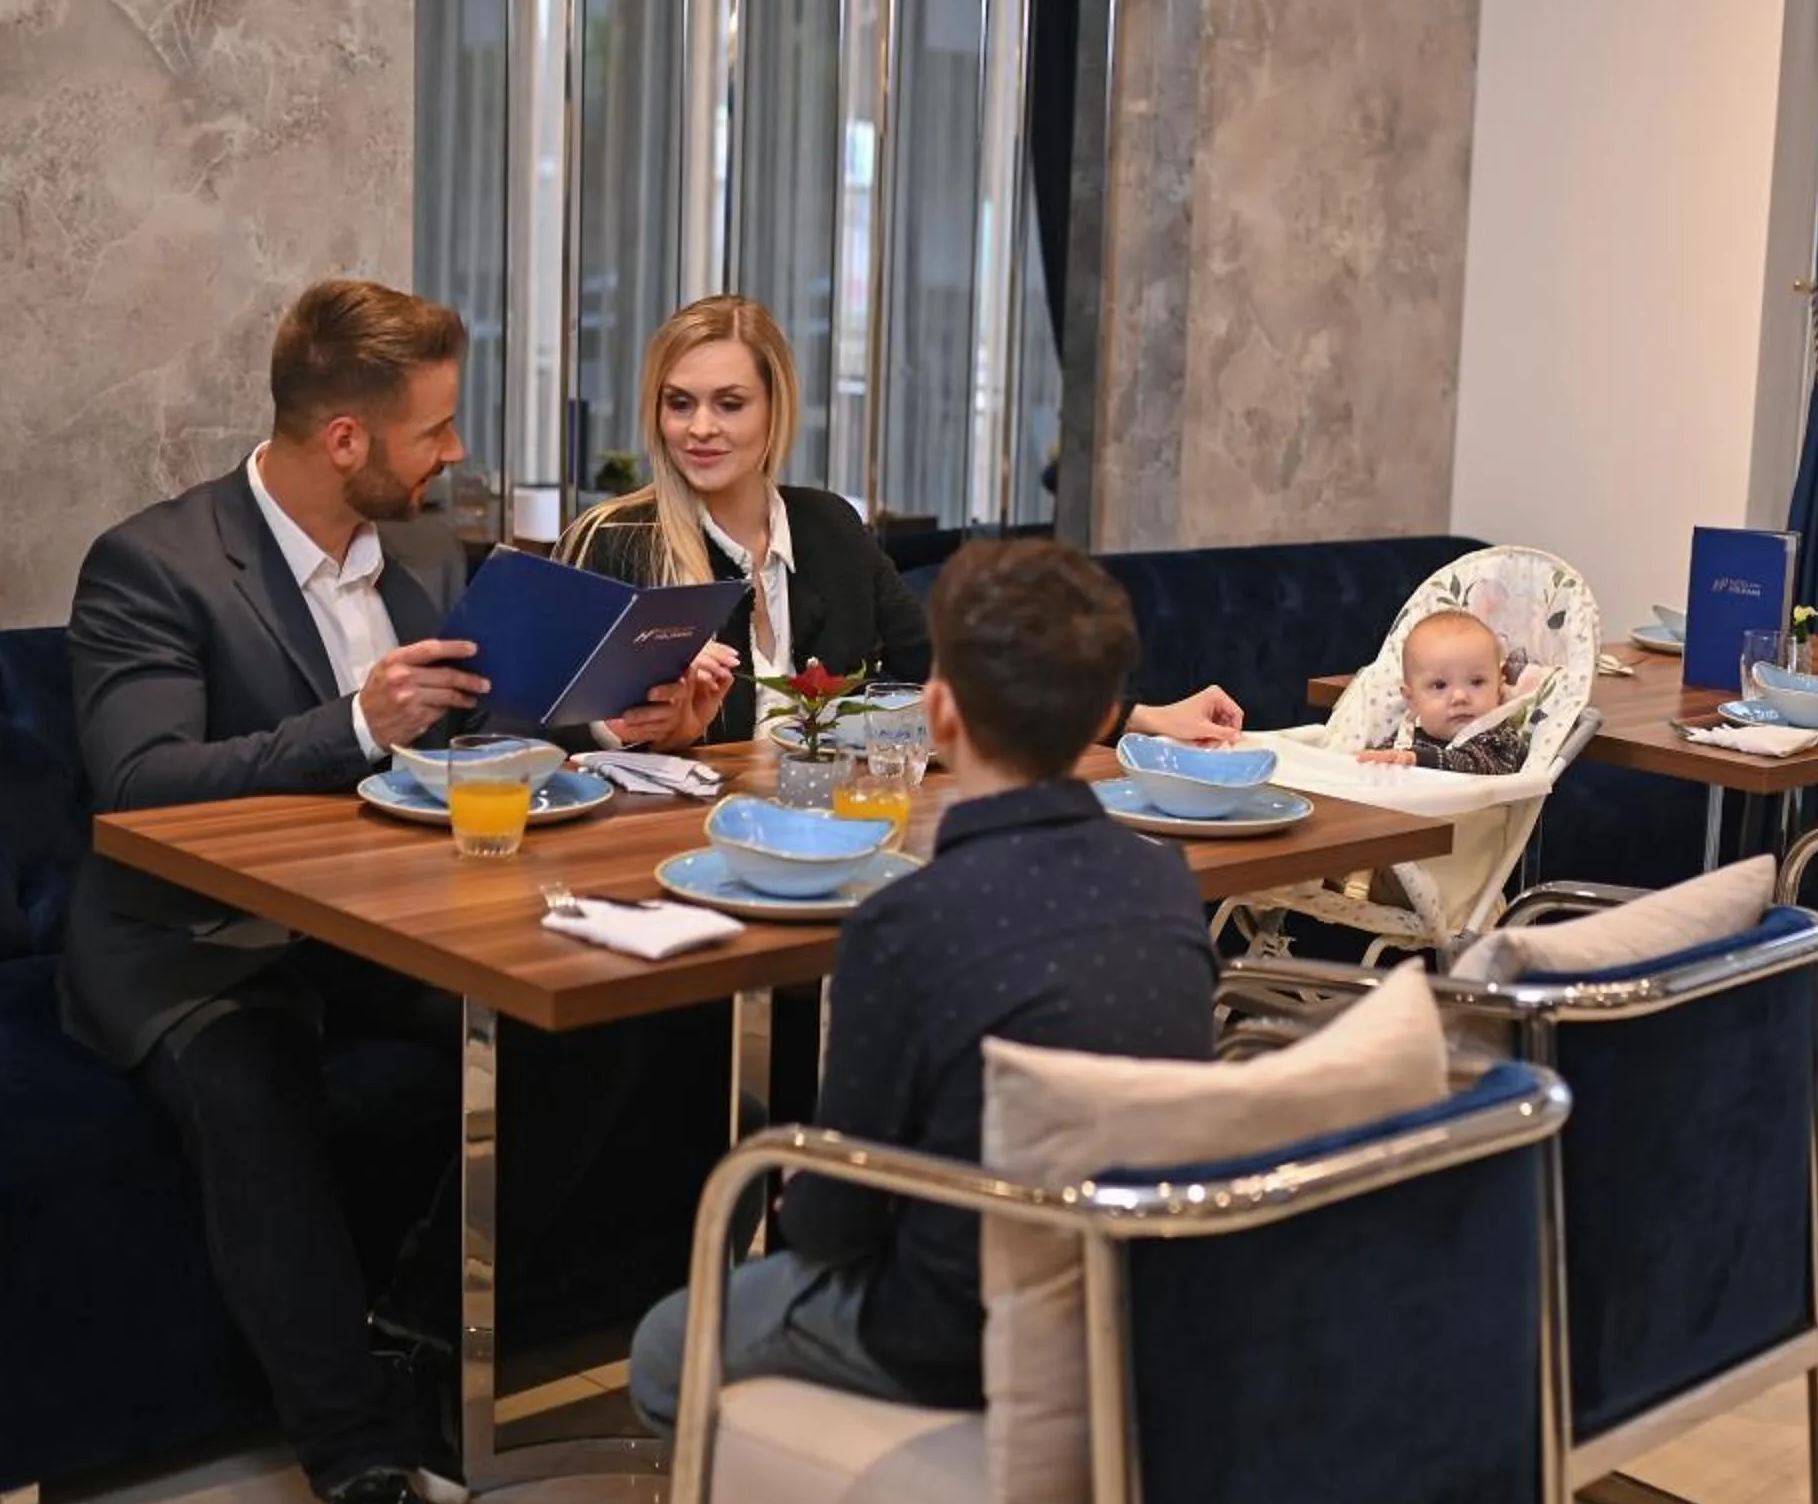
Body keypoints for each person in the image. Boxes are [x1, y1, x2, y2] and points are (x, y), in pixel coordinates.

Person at [59, 279, 729, 1504]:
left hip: (388, 924)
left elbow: (480, 735)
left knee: (598, 1016)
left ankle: (418, 1336)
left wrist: (614, 722)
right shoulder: (153, 565)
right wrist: (356, 721)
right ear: (347, 438)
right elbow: (138, 784)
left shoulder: (422, 545)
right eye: (434, 429)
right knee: (249, 1086)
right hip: (199, 941)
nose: (455, 452)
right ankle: (364, 1469)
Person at [626, 539, 1219, 1430]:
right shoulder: (1168, 882)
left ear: (938, 712)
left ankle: (820, 1491)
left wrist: (808, 1202)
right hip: (1140, 1301)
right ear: (1105, 712)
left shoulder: (904, 922)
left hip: (946, 1333)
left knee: (664, 1349)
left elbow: (836, 1225)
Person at [557, 294, 1245, 749]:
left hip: (836, 841)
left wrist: (1140, 719)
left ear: (775, 410)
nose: (700, 428)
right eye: (679, 403)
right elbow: (533, 730)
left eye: (729, 404)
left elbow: (953, 672)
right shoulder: (615, 540)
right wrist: (631, 731)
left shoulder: (829, 527)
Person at [1356, 610, 1532, 775]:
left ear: (1498, 690)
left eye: (1476, 682)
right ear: (1412, 700)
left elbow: (1479, 766)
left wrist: (1419, 760)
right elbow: (1377, 764)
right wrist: (1371, 763)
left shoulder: (1499, 742)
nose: (1460, 697)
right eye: (1439, 685)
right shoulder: (1405, 739)